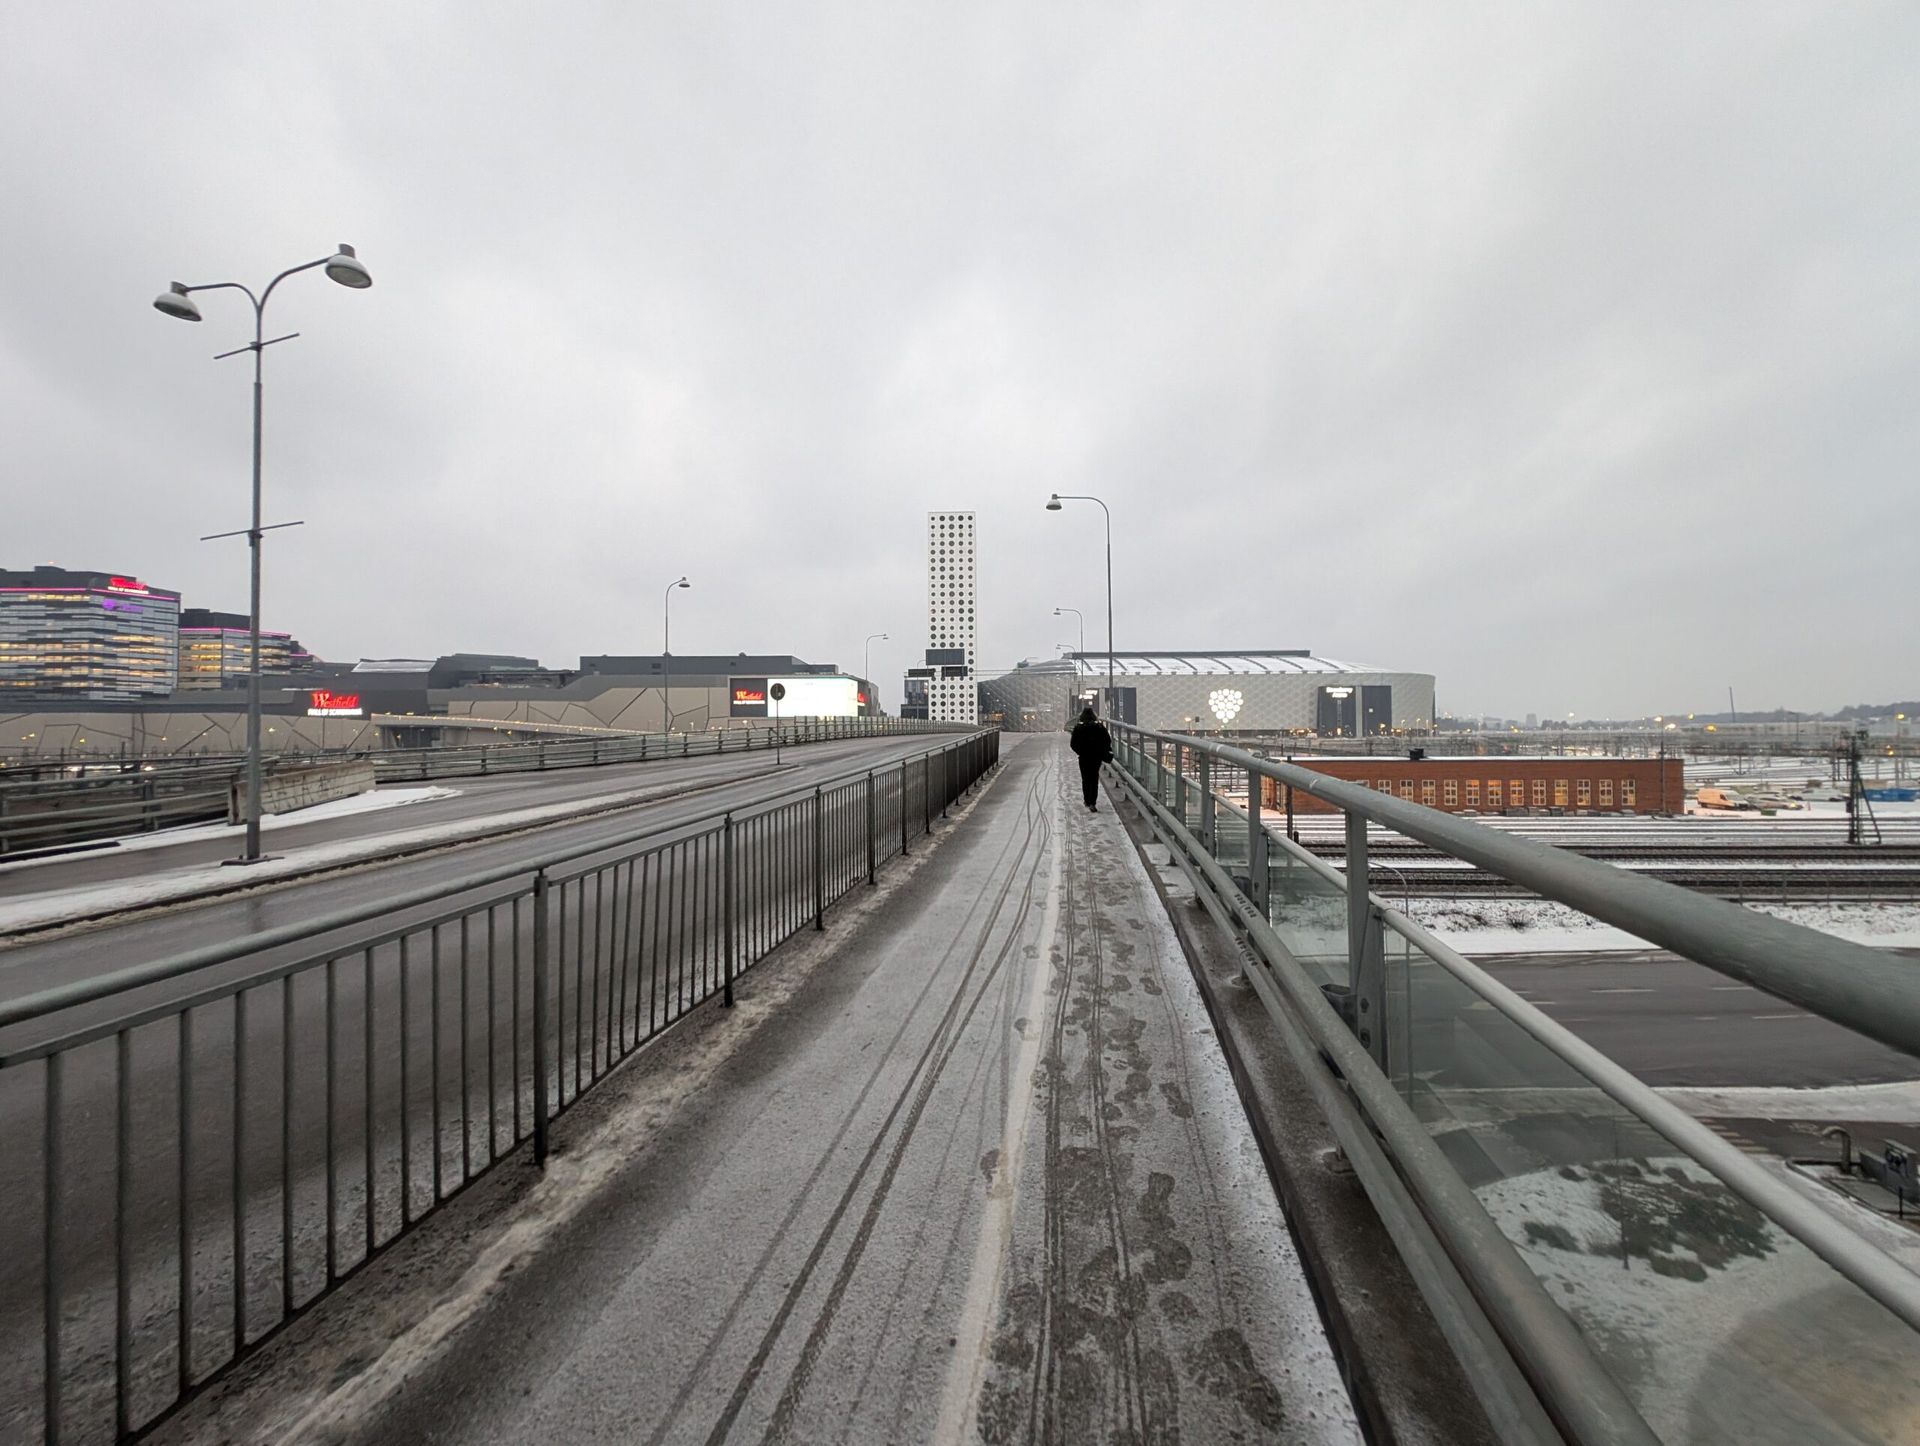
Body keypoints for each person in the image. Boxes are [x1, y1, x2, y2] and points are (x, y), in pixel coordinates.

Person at [1069, 705, 1113, 812]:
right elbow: (1107, 740)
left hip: (1084, 757)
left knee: (1085, 778)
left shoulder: (1078, 728)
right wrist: (1102, 751)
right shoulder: (1099, 727)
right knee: (1094, 778)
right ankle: (1093, 802)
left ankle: (1087, 800)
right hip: (1096, 757)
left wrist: (1080, 751)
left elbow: (1073, 743)